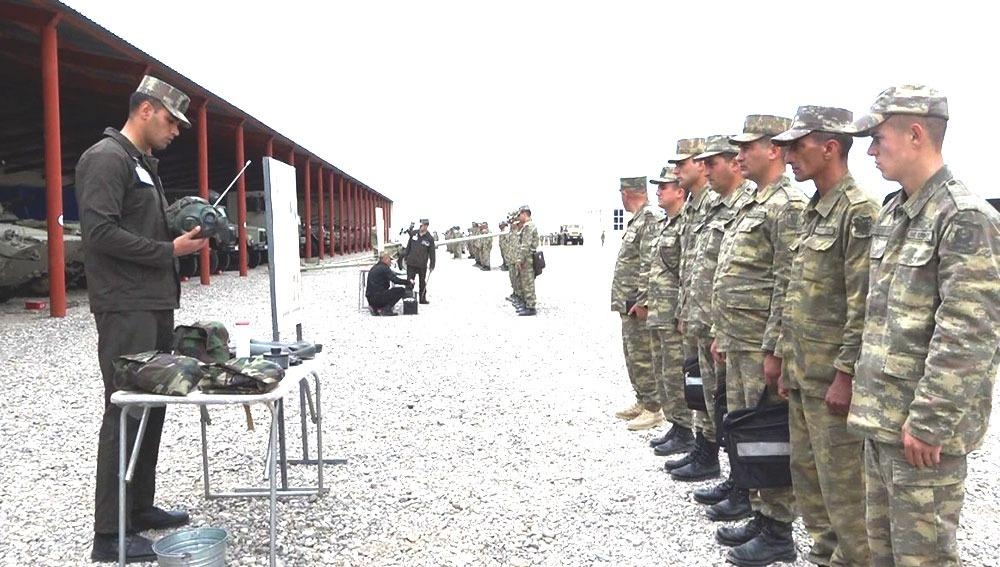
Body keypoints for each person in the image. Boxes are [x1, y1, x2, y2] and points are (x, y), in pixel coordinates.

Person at [848, 85, 1000, 567]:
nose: (870, 151)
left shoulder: (964, 217)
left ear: (915, 134)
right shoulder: (896, 211)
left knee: (924, 558)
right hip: (883, 422)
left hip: (920, 434)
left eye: (878, 138)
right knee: (884, 554)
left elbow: (969, 333)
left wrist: (930, 423)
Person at [76, 75, 208, 562]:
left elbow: (141, 227)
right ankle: (110, 535)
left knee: (152, 405)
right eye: (172, 121)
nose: (175, 131)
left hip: (152, 303)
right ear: (146, 109)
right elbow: (99, 233)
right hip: (125, 306)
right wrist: (168, 250)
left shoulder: (141, 165)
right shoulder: (106, 159)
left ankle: (139, 506)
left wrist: (183, 228)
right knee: (126, 408)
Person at [772, 106, 877, 567]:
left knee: (846, 491)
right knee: (810, 482)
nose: (788, 156)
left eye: (798, 146)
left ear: (830, 147)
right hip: (803, 374)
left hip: (831, 383)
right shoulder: (814, 211)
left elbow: (863, 303)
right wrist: (784, 359)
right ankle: (824, 555)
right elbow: (796, 292)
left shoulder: (858, 212)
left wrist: (846, 375)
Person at [712, 115, 804, 567]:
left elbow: (788, 283)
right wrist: (722, 332)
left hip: (760, 343)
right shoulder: (754, 201)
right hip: (740, 338)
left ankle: (778, 530)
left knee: (768, 436)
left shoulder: (788, 205)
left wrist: (777, 349)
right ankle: (759, 510)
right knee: (746, 431)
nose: (740, 155)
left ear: (774, 149)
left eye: (749, 146)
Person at [667, 135, 753, 484]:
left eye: (708, 162)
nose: (701, 168)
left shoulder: (738, 204)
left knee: (730, 403)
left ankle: (738, 478)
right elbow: (693, 265)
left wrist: (719, 326)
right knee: (706, 392)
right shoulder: (706, 206)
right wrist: (685, 309)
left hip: (726, 326)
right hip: (702, 318)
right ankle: (706, 452)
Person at [655, 137, 712, 455]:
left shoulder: (714, 204)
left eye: (681, 163)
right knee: (693, 379)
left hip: (709, 317)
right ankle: (691, 436)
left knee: (708, 385)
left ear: (700, 164)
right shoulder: (694, 207)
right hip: (689, 311)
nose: (676, 171)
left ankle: (704, 446)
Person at [644, 168, 692, 455]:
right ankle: (675, 423)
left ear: (680, 191)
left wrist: (682, 312)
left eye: (664, 186)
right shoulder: (665, 224)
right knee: (663, 371)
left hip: (674, 314)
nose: (659, 191)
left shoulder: (685, 223)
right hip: (658, 312)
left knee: (676, 374)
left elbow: (687, 272)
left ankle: (686, 430)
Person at [611, 176, 666, 431]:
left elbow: (649, 261)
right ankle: (643, 400)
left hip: (637, 302)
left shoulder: (649, 218)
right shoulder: (638, 219)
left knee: (643, 355)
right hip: (628, 301)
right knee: (633, 354)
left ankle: (653, 408)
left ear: (627, 193)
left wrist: (643, 299)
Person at [366, 250, 413, 316]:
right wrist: (408, 282)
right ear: (385, 259)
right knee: (401, 290)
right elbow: (395, 280)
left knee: (385, 291)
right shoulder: (384, 268)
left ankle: (374, 307)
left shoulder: (374, 267)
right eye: (389, 259)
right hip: (378, 297)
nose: (390, 261)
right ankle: (386, 309)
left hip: (370, 298)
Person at [514, 206, 539, 316]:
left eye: (520, 215)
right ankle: (526, 304)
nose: (519, 217)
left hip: (527, 258)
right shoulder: (526, 226)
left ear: (524, 214)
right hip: (526, 258)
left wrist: (519, 260)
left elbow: (525, 246)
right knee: (524, 282)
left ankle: (531, 307)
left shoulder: (529, 226)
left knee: (528, 282)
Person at [404, 218, 435, 304]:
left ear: (426, 226)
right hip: (411, 262)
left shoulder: (429, 238)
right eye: (420, 225)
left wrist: (432, 265)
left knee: (422, 282)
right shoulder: (414, 234)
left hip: (422, 264)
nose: (421, 226)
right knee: (410, 281)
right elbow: (408, 246)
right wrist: (406, 256)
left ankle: (422, 299)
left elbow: (432, 253)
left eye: (423, 225)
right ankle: (408, 298)